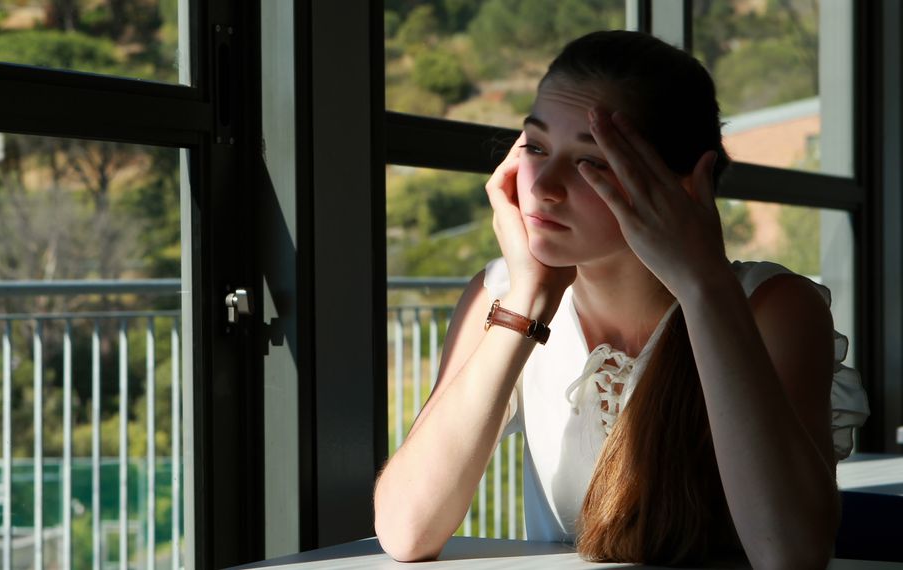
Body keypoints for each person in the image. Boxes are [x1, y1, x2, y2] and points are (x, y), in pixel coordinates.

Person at [372, 30, 870, 568]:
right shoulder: (502, 296)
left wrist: (703, 288)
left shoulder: (771, 307)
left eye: (593, 162)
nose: (542, 187)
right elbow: (407, 530)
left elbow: (791, 553)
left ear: (683, 185)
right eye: (536, 148)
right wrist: (529, 301)